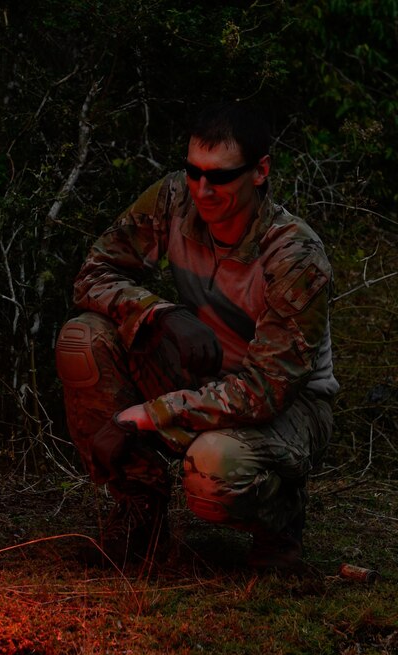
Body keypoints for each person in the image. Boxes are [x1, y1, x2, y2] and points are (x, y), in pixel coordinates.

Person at [55, 101, 338, 571]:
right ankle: (139, 512)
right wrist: (159, 313)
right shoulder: (174, 199)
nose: (203, 190)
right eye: (193, 171)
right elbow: (92, 274)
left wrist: (147, 416)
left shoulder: (294, 255)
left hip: (290, 404)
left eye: (221, 177)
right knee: (81, 339)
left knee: (213, 469)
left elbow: (265, 391)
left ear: (260, 172)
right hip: (202, 371)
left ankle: (279, 517)